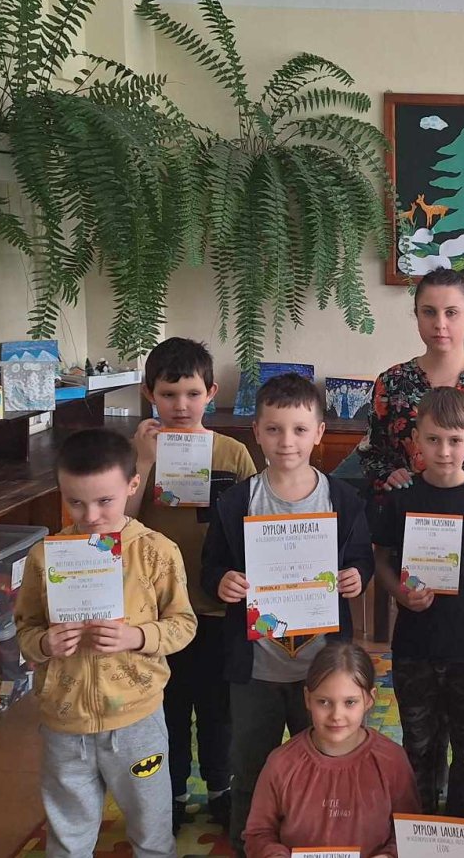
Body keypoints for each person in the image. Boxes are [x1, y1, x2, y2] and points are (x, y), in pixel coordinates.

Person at [200, 373, 373, 852]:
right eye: (274, 429)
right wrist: (222, 582)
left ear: (319, 432)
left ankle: (319, 841)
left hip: (321, 669)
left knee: (324, 762)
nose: (286, 441)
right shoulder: (237, 502)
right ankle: (247, 843)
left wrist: (357, 576)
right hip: (256, 667)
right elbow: (211, 566)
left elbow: (361, 558)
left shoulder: (342, 500)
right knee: (251, 766)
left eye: (299, 429)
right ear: (256, 431)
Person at [14, 428, 197, 858]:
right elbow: (24, 630)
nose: (91, 514)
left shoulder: (156, 551)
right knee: (69, 834)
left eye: (104, 500)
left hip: (137, 719)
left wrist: (138, 636)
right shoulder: (46, 555)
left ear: (133, 485)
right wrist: (45, 644)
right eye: (75, 501)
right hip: (65, 722)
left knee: (152, 828)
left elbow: (184, 624)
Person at [128, 337, 257, 832]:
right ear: (149, 394)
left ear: (211, 393)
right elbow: (118, 524)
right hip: (158, 611)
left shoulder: (233, 452)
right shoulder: (140, 453)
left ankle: (221, 788)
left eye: (191, 394)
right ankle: (174, 791)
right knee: (169, 707)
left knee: (219, 708)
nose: (180, 406)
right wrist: (143, 462)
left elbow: (254, 526)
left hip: (219, 607)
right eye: (168, 394)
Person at [372, 387, 464, 815]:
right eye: (433, 439)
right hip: (415, 649)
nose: (444, 451)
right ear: (417, 438)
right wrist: (400, 594)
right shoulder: (402, 496)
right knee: (418, 747)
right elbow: (380, 559)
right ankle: (421, 828)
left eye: (454, 440)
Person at [363, 268, 464, 502]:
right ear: (417, 316)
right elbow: (372, 454)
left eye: (451, 313)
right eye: (429, 312)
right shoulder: (392, 382)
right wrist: (388, 475)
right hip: (411, 514)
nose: (440, 324)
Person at [242, 641, 419, 858]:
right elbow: (258, 833)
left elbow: (409, 832)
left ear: (369, 700)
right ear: (308, 699)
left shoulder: (392, 761)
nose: (336, 715)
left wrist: (388, 855)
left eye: (350, 702)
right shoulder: (281, 763)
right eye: (324, 702)